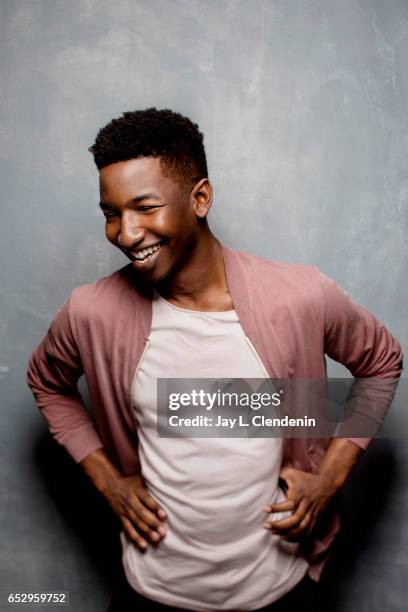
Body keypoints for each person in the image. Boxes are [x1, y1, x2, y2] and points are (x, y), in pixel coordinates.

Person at [27, 108, 403, 611]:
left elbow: (379, 363)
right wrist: (109, 480)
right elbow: (48, 383)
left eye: (145, 206)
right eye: (111, 213)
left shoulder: (297, 297)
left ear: (200, 198)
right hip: (152, 593)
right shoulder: (93, 311)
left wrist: (329, 477)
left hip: (280, 591)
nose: (127, 233)